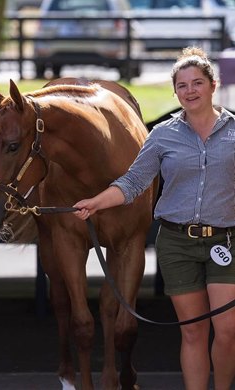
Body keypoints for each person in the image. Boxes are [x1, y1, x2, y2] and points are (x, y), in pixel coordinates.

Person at [73, 47, 235, 390]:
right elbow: (132, 182)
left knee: (228, 330)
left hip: (226, 241)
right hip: (177, 243)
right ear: (175, 91)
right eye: (182, 85)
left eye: (197, 83)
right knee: (192, 331)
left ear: (213, 85)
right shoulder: (162, 135)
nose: (190, 91)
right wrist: (97, 202)